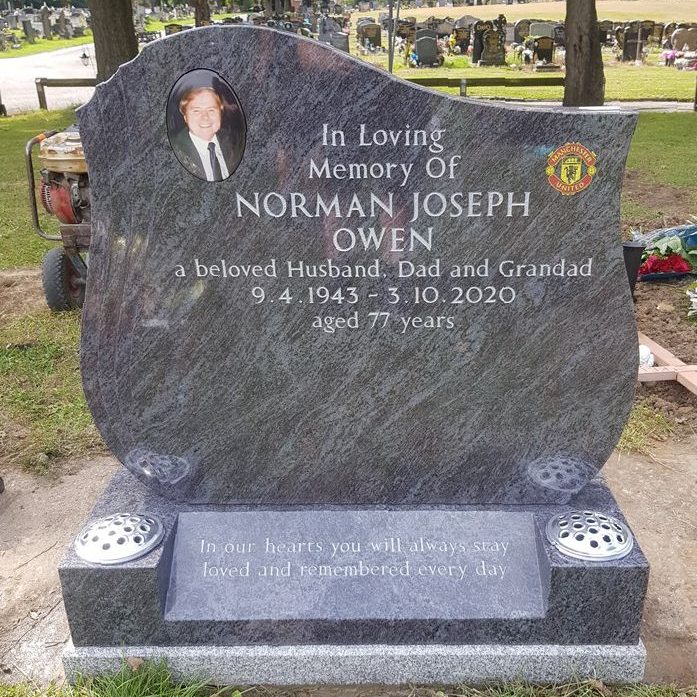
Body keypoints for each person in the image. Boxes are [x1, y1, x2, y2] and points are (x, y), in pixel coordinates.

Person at [171, 86, 237, 182]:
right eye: (196, 111)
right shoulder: (174, 151)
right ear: (185, 117)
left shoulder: (233, 143)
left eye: (211, 110)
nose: (205, 117)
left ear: (220, 114)